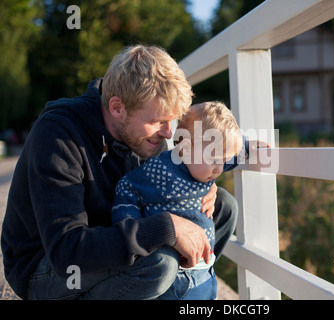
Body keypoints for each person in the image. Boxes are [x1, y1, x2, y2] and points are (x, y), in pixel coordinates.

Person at [1, 45, 247, 300]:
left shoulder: (147, 135)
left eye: (171, 121)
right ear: (117, 107)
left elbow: (187, 164)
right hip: (48, 266)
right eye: (158, 121)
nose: (168, 133)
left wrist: (207, 184)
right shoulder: (58, 135)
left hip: (113, 236)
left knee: (224, 206)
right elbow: (67, 252)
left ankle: (188, 290)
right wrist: (166, 227)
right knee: (159, 264)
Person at [111, 101, 243, 300]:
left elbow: (226, 152)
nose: (220, 169)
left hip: (205, 272)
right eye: (215, 160)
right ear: (186, 149)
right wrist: (130, 221)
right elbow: (127, 186)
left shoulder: (204, 162)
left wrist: (247, 148)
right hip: (179, 278)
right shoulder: (161, 171)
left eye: (225, 161)